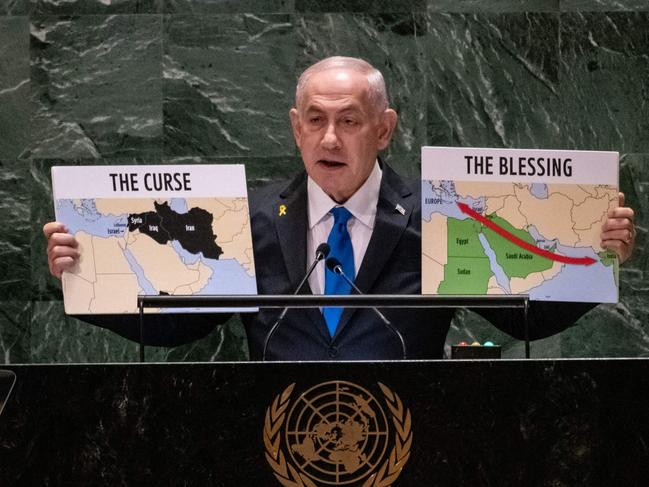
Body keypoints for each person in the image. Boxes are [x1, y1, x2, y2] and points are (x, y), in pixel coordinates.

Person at [44, 57, 637, 361]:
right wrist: (86, 277)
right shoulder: (248, 218)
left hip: (407, 442)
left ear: (383, 131)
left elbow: (520, 319)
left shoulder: (438, 216)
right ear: (296, 128)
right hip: (275, 442)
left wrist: (592, 260)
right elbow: (181, 323)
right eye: (316, 121)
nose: (330, 139)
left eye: (349, 121)